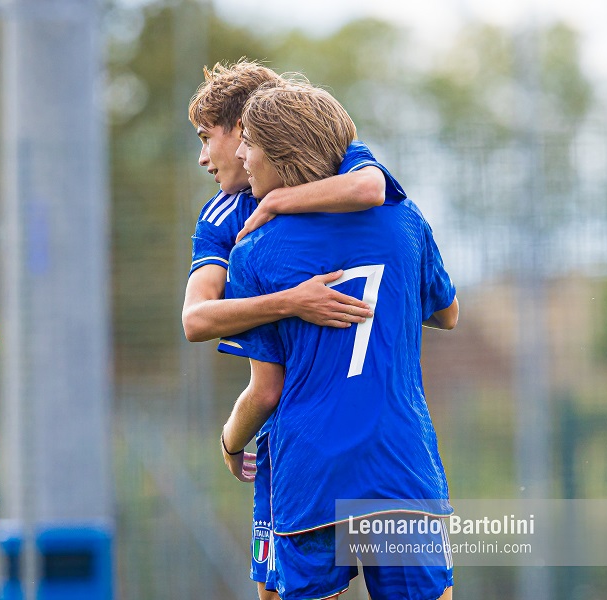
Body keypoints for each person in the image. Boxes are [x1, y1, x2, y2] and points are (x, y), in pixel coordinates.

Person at [219, 80, 458, 600]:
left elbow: (265, 393)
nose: (241, 153)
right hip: (400, 467)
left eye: (251, 143)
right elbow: (448, 313)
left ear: (281, 157)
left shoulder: (254, 251)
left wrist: (231, 441)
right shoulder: (406, 219)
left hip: (312, 475)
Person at [184, 59, 408, 600]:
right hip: (364, 445)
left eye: (206, 137)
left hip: (302, 445)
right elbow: (196, 318)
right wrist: (291, 301)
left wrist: (279, 200)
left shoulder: (340, 160)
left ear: (245, 132)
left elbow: (371, 187)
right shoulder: (222, 217)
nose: (205, 157)